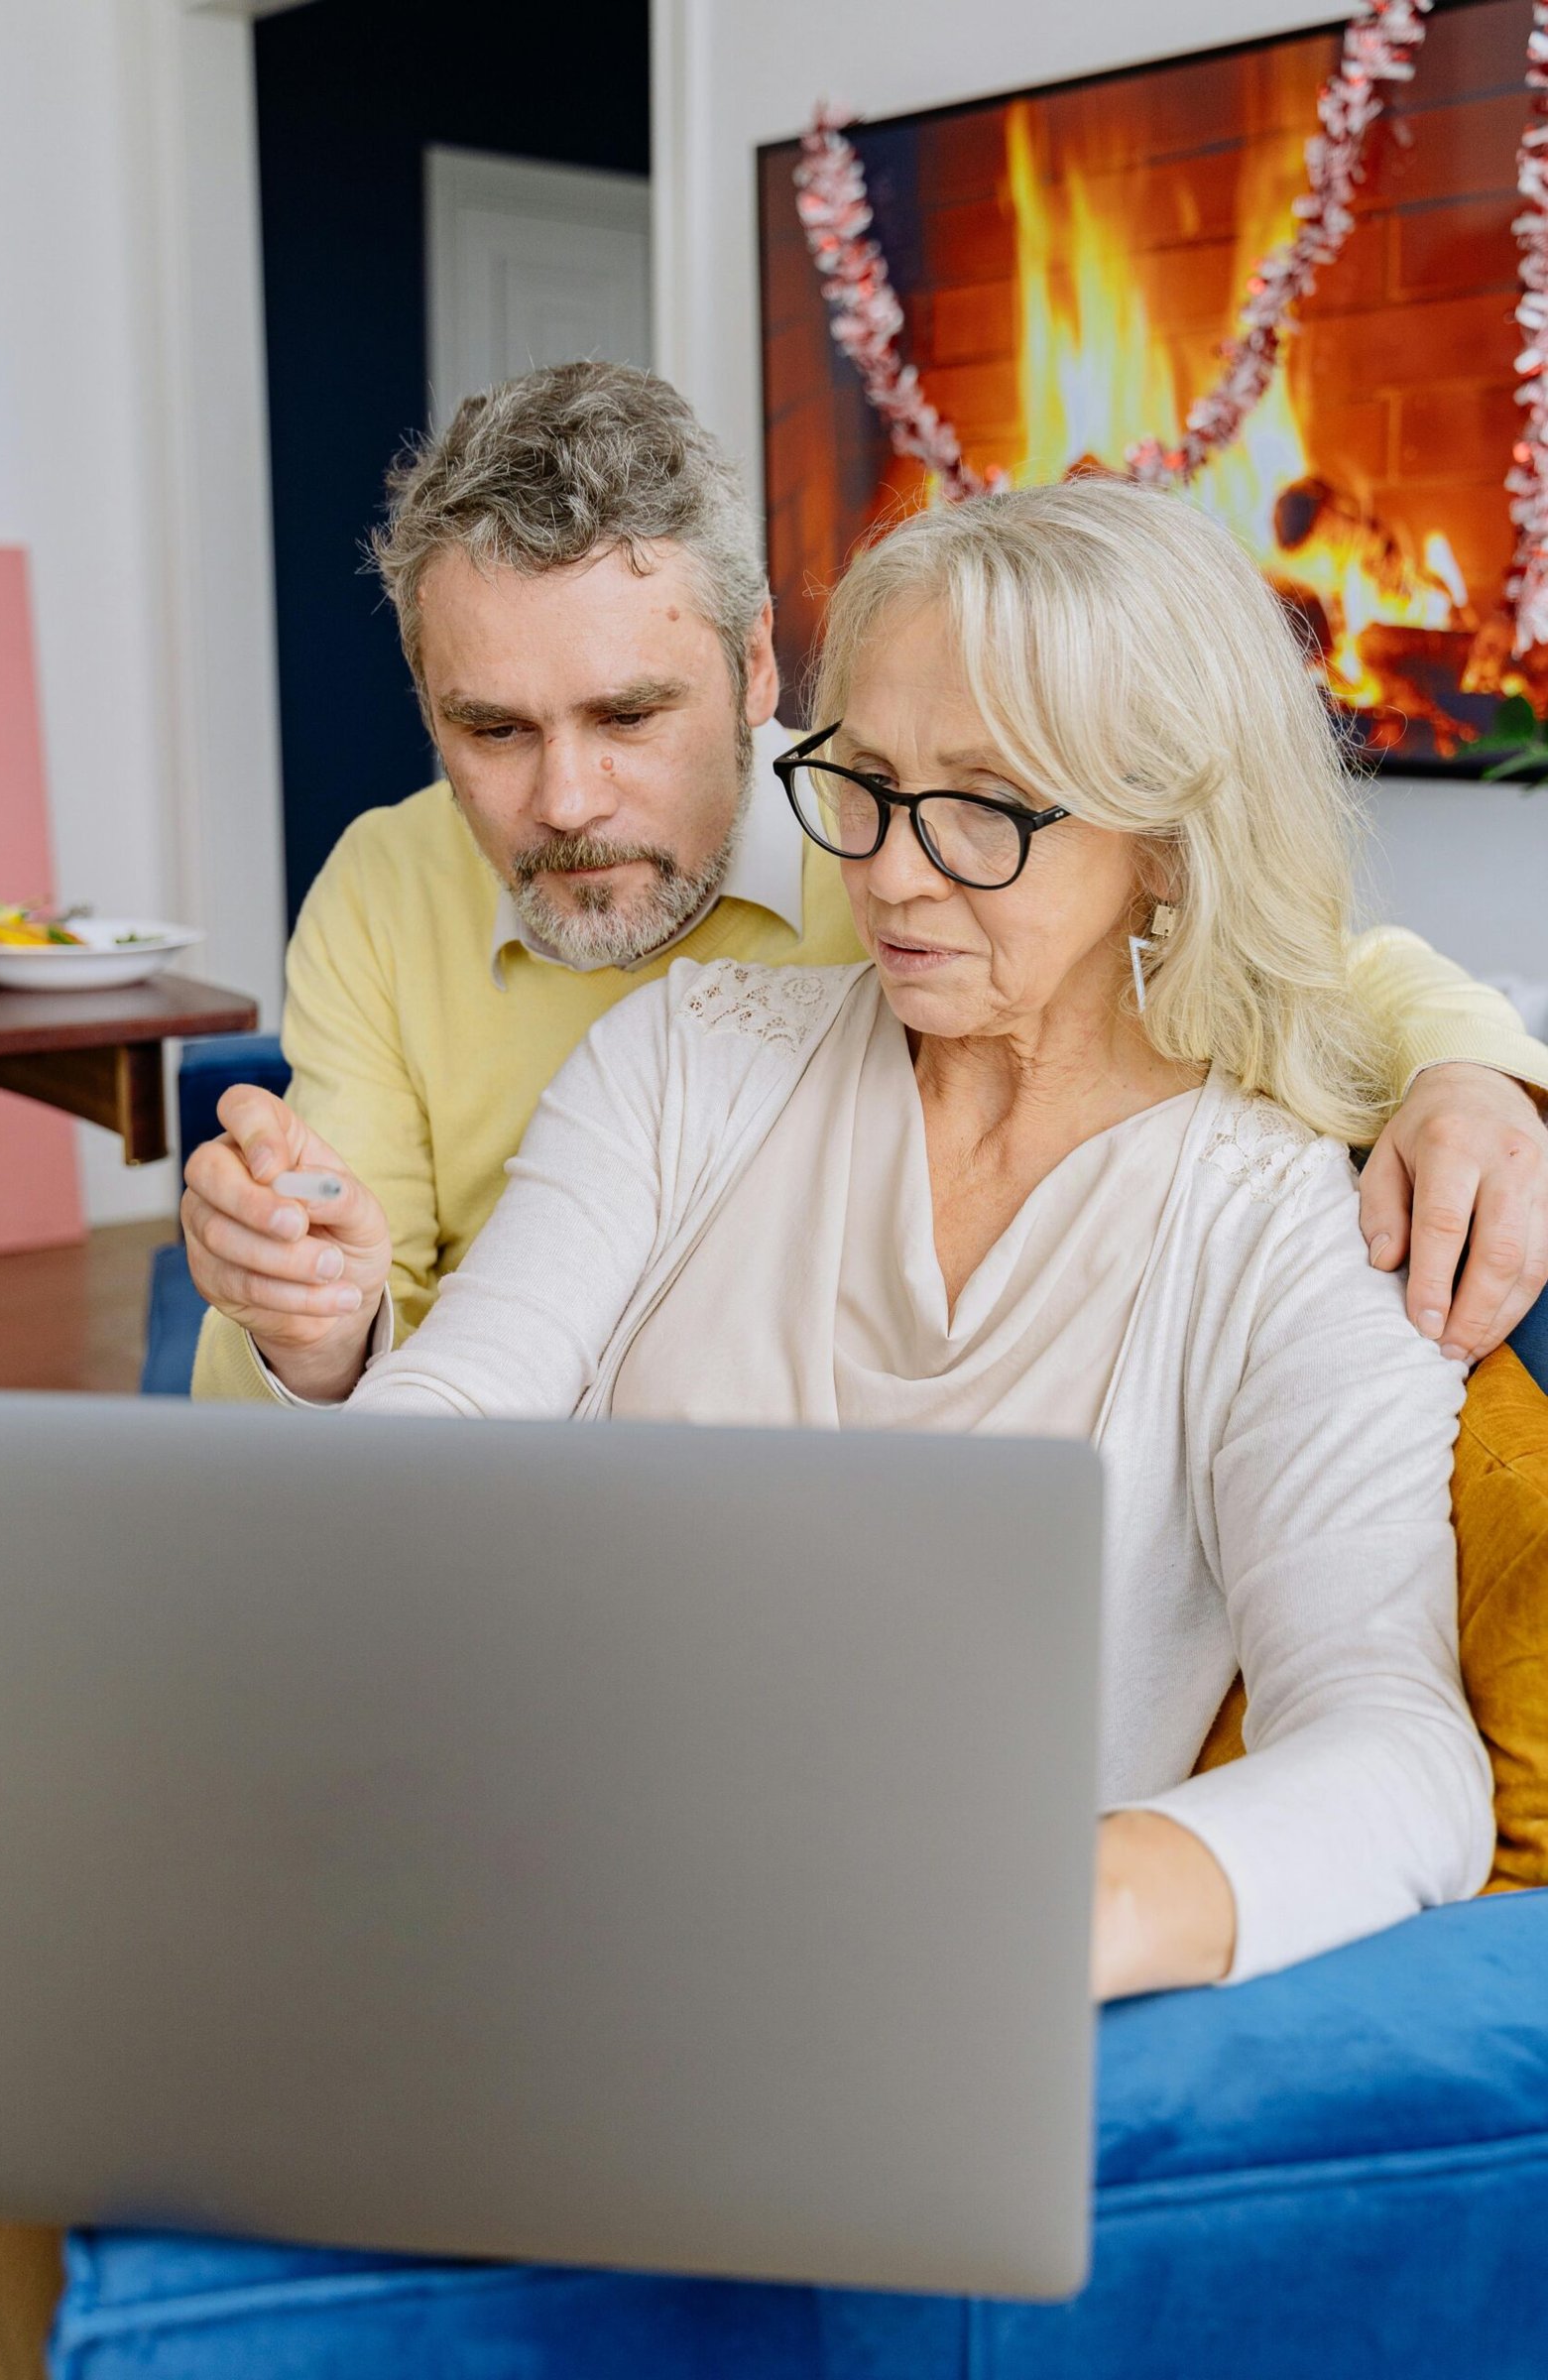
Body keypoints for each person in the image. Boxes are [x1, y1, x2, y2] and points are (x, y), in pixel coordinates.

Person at [259, 479, 1493, 1997]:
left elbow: (1400, 1758)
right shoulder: (684, 1060)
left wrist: (1053, 1915)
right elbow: (454, 1407)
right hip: (507, 1895)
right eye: (865, 784)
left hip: (904, 2007)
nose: (894, 871)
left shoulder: (1287, 1231)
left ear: (1165, 842)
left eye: (984, 807)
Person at [182, 364, 1548, 1414]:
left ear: (758, 669)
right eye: (492, 730)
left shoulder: (915, 863)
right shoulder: (391, 885)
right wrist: (314, 1332)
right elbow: (397, 1367)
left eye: (630, 716)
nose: (567, 800)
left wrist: (1475, 1076)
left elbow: (1308, 959)